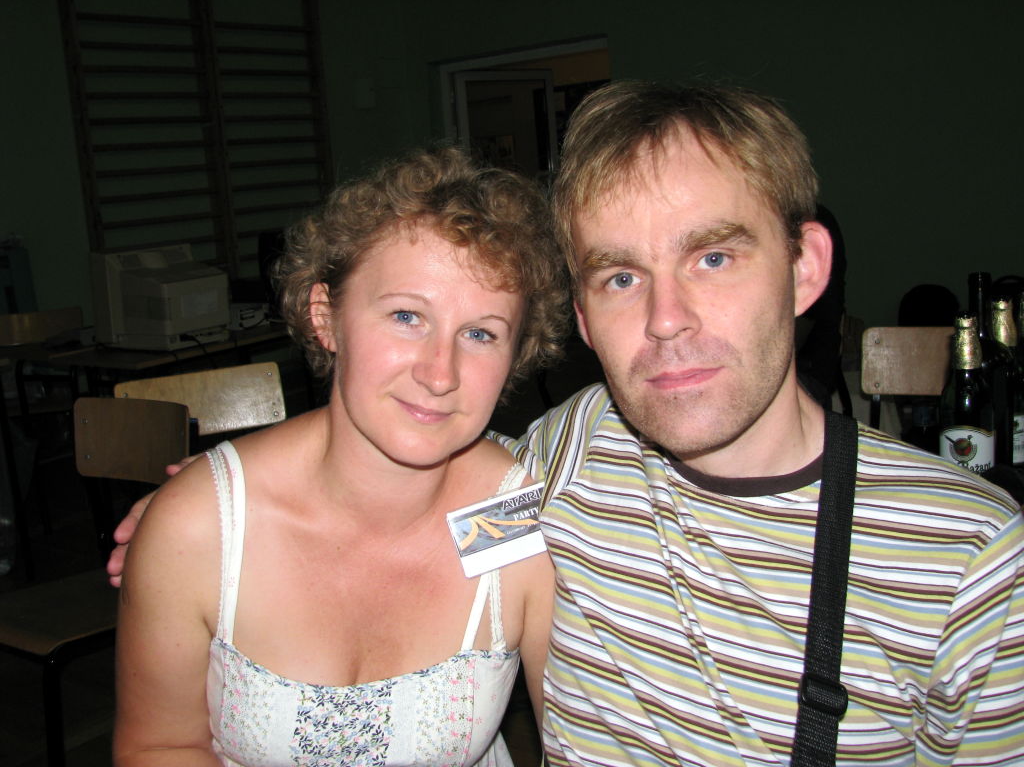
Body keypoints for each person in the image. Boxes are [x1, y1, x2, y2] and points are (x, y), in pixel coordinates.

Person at [110, 82, 1024, 766]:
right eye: (622, 276)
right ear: (585, 319)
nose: (666, 319)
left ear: (805, 268)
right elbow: (405, 490)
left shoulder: (972, 561)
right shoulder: (566, 463)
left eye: (712, 257)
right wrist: (202, 518)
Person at [112, 146, 562, 766]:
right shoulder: (203, 526)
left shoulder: (514, 519)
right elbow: (159, 746)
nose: (440, 374)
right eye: (406, 316)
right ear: (326, 318)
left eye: (480, 333)